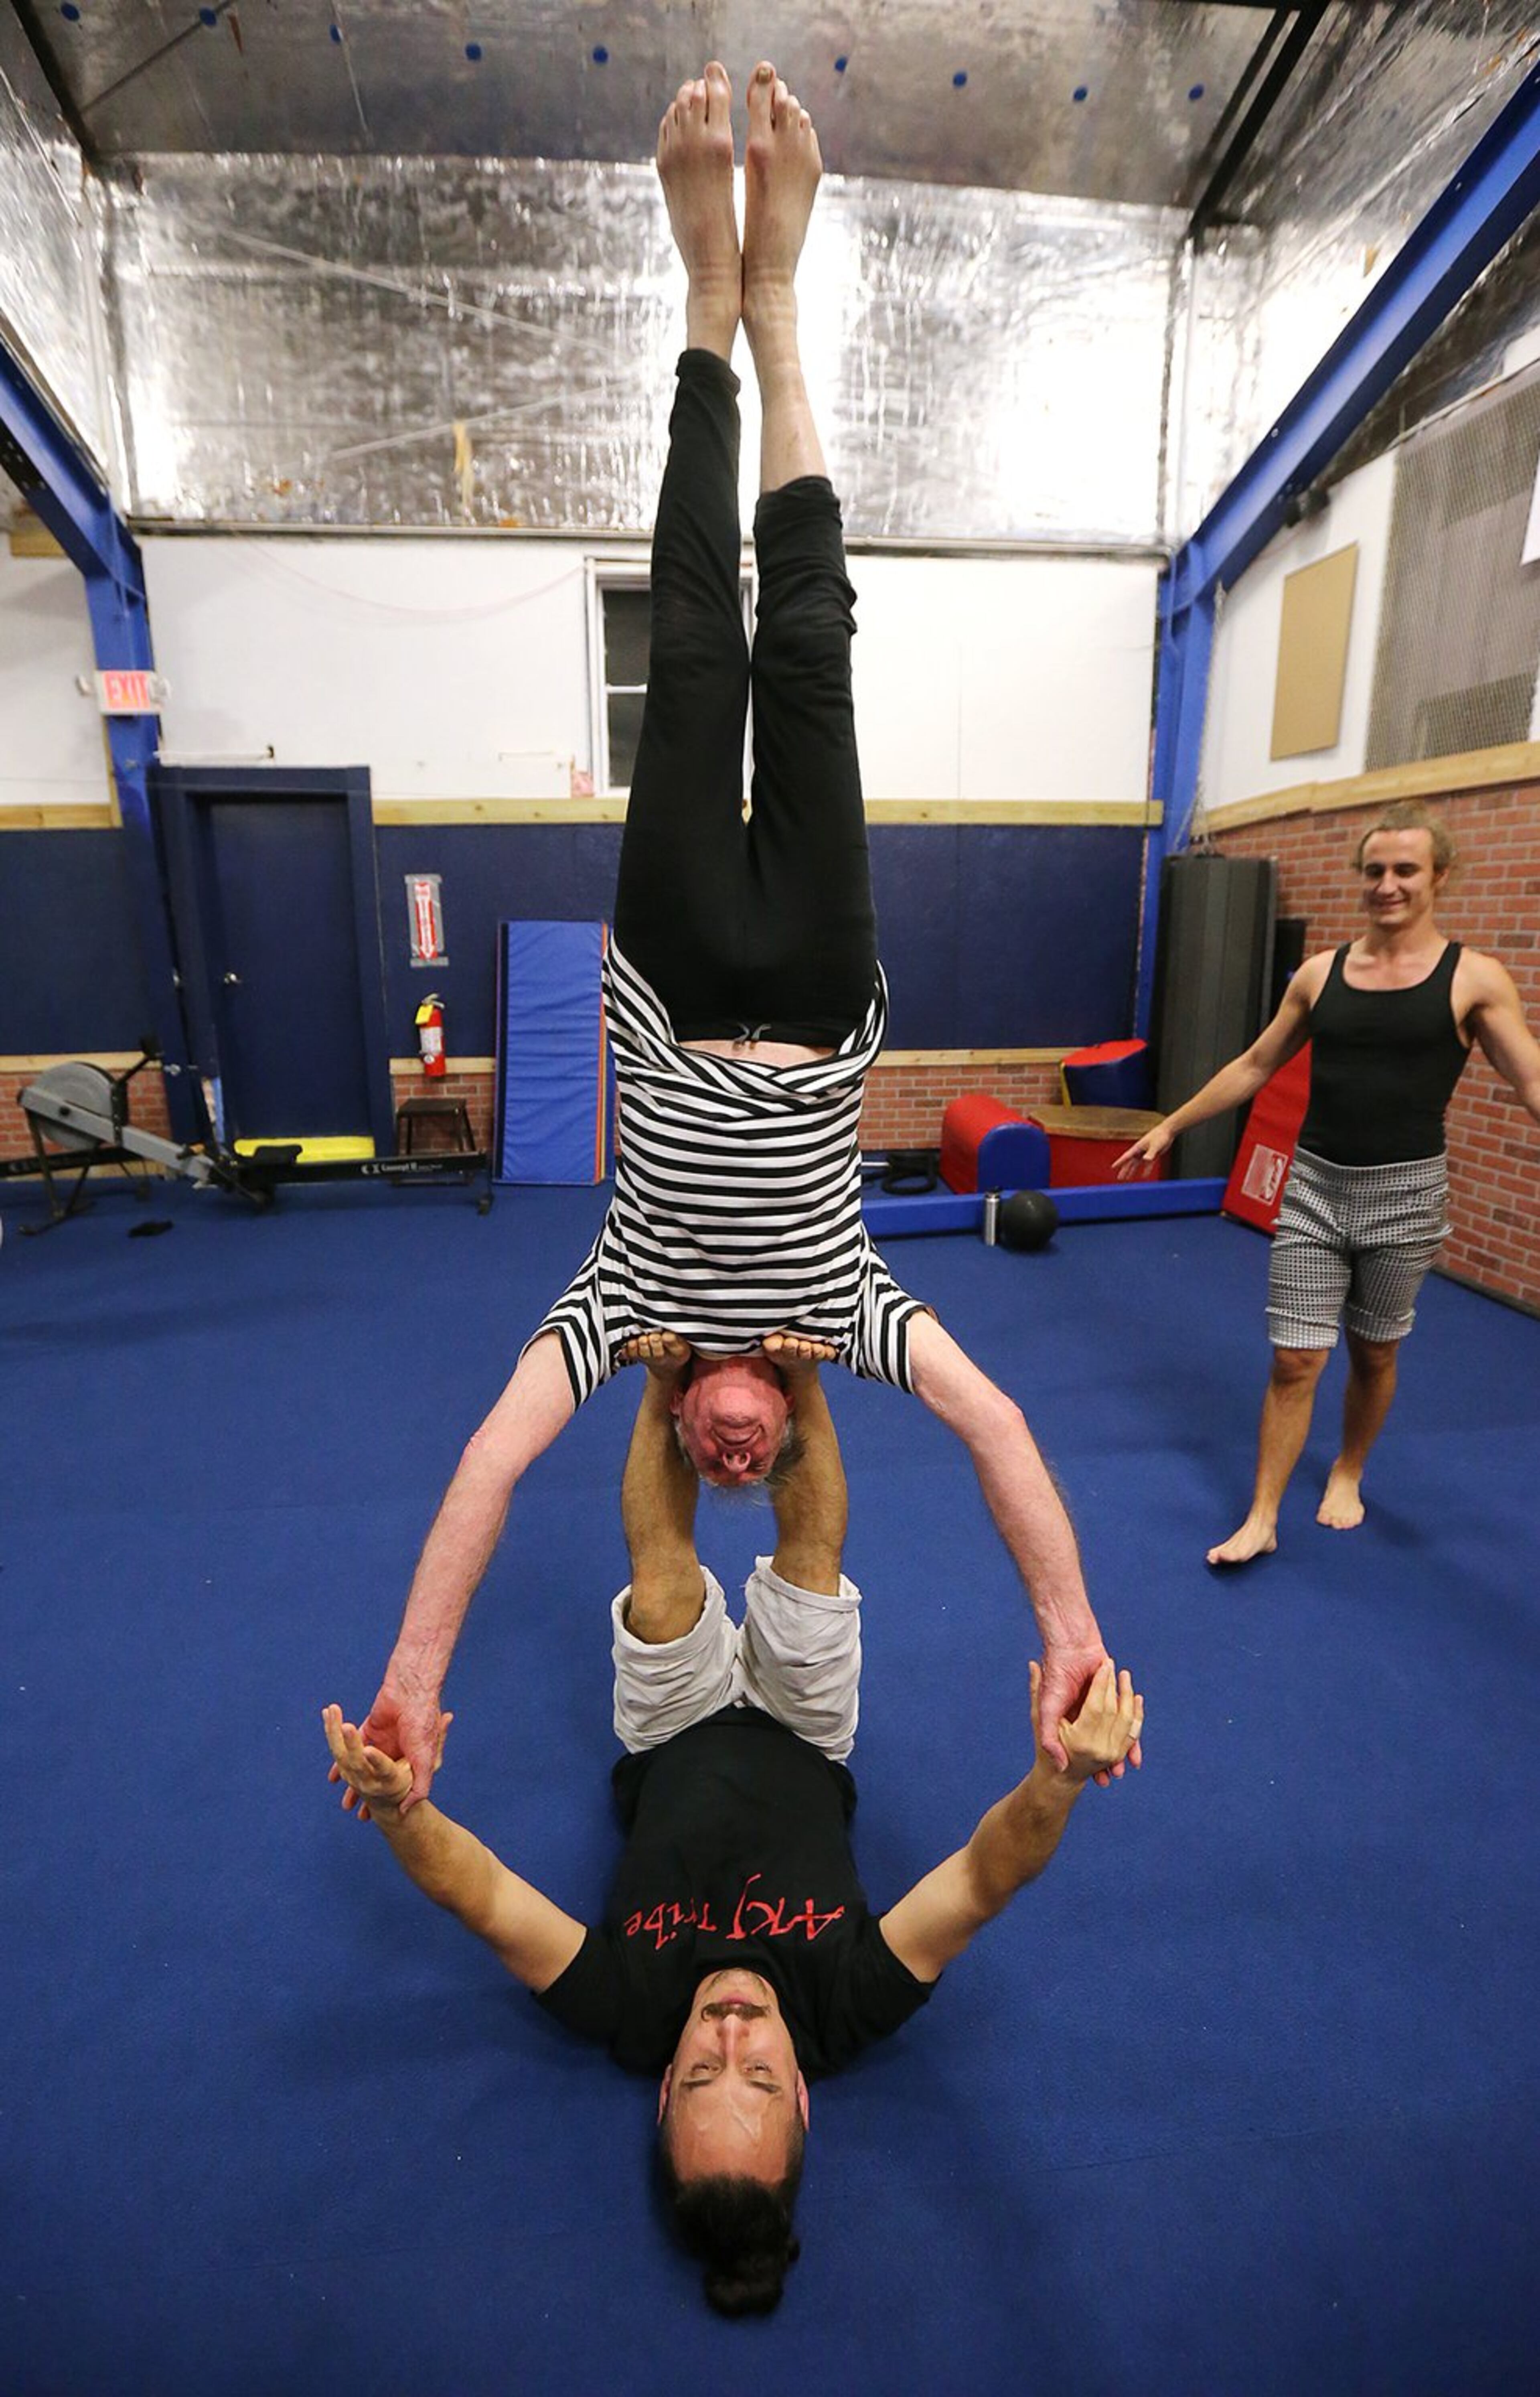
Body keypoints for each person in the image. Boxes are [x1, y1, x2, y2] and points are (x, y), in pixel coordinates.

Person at [358, 62, 1129, 1804]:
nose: (722, 1459)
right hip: (821, 985)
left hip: (677, 971)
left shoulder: (616, 1302)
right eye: (744, 1467)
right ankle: (781, 307)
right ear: (786, 1433)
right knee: (816, 652)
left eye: (703, 1466)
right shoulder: (846, 1309)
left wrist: (413, 1679)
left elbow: (490, 1464)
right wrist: (1072, 1629)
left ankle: (707, 295)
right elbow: (999, 1427)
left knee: (697, 654)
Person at [323, 1342, 1144, 2316]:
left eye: (704, 2069)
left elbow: (483, 1896)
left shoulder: (628, 2014)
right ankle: (807, 1362)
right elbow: (982, 1879)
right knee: (811, 1564)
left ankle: (657, 1366)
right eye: (755, 2073)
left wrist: (392, 1809)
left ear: (666, 2090)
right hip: (805, 1736)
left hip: (669, 1736)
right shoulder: (844, 2010)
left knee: (663, 1587)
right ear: (802, 2098)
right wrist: (1065, 1777)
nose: (732, 2029)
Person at [1115, 802, 1540, 1562]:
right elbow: (1254, 1064)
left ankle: (1348, 1468)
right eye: (1374, 871)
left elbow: (1530, 1077)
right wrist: (1173, 1123)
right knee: (1294, 1358)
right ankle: (1263, 1515)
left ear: (1438, 876)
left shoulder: (1474, 979)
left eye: (1405, 870)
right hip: (1315, 1188)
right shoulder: (1321, 974)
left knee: (1374, 1351)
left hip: (1407, 1198)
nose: (1387, 885)